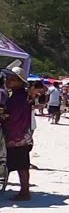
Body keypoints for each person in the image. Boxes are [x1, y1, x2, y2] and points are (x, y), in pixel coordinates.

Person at [1, 70, 34, 200]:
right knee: (21, 163)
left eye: (12, 79)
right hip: (20, 134)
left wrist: (3, 117)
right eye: (8, 78)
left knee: (22, 164)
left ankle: (25, 192)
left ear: (20, 82)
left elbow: (13, 116)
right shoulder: (18, 95)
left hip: (17, 135)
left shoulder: (19, 97)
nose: (8, 81)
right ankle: (24, 190)